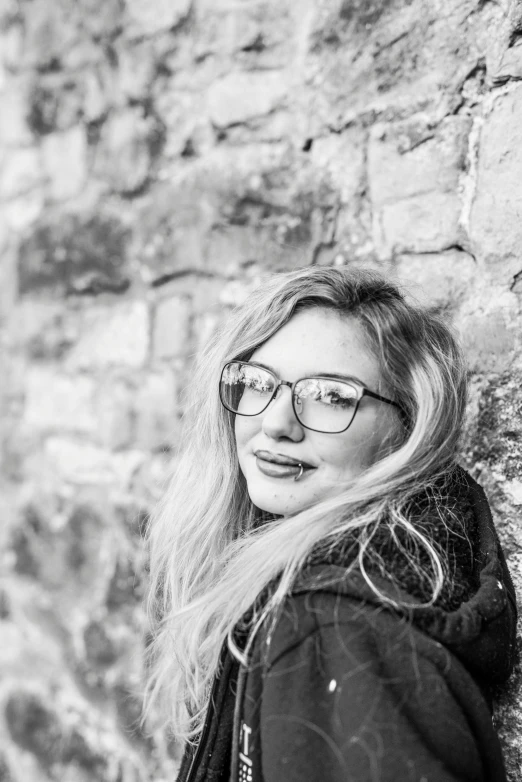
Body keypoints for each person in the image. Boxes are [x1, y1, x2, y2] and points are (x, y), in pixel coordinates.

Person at [144, 267, 517, 782]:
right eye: (257, 383)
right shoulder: (387, 566)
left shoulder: (330, 627)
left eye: (332, 396)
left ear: (407, 431)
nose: (276, 423)